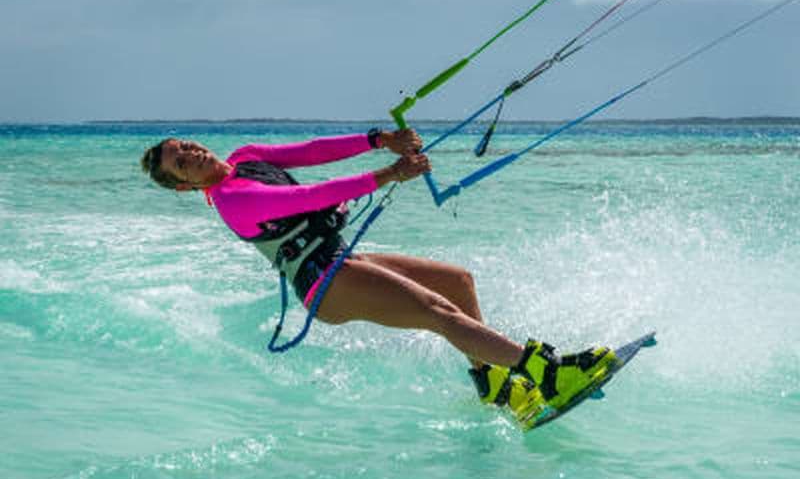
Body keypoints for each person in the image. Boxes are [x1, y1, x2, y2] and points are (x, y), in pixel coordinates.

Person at [140, 128, 619, 429]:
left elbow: (310, 153)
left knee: (457, 283)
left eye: (185, 146)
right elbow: (310, 197)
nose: (192, 154)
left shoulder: (245, 157)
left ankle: (495, 387)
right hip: (324, 283)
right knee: (439, 313)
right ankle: (546, 374)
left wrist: (376, 140)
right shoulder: (233, 199)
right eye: (182, 162)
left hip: (341, 259)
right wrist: (389, 173)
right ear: (185, 185)